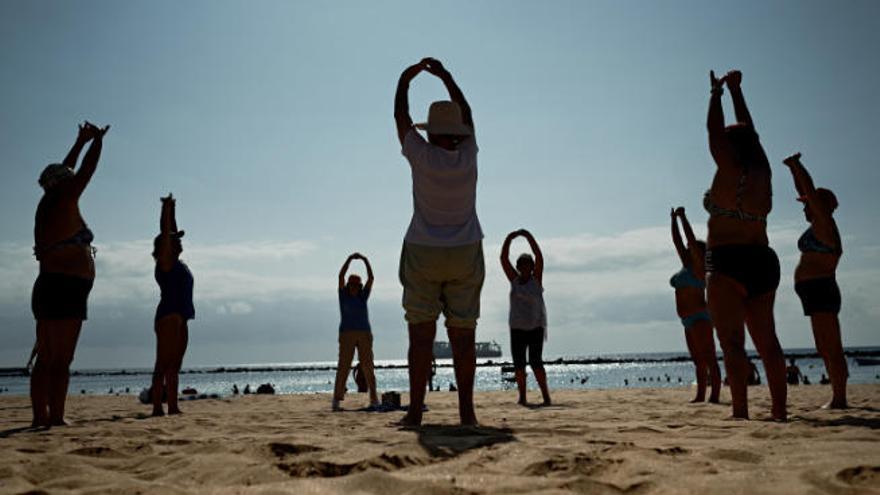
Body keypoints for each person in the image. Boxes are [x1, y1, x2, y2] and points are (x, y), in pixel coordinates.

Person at [394, 57, 484, 426]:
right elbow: (468, 111)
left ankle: (416, 411)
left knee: (420, 336)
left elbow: (400, 118)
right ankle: (466, 412)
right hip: (465, 250)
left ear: (431, 133)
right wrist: (446, 76)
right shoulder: (468, 155)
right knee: (463, 336)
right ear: (460, 132)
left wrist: (406, 80)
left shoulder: (422, 155)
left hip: (423, 249)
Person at [704, 70, 787, 420]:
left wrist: (715, 94)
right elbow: (749, 127)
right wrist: (738, 91)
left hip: (726, 261)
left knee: (732, 344)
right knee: (768, 342)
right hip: (763, 261)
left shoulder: (728, 168)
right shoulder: (763, 171)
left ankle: (740, 411)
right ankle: (780, 411)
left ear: (730, 146)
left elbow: (713, 130)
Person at [30, 121, 108, 427]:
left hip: (50, 286)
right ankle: (56, 417)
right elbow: (85, 171)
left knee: (46, 358)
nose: (72, 179)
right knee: (61, 360)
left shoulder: (48, 201)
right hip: (65, 288)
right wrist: (98, 142)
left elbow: (66, 169)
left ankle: (40, 417)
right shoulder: (65, 197)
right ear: (62, 183)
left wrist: (79, 141)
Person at [783, 152, 848, 408]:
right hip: (814, 292)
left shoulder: (824, 224)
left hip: (822, 289)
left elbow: (808, 189)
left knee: (832, 347)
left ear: (820, 206)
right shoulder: (819, 225)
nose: (804, 208)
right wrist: (791, 170)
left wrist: (798, 165)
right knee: (824, 347)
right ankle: (837, 395)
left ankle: (839, 399)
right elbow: (805, 191)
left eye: (807, 204)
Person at [670, 207, 722, 403]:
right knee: (698, 362)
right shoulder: (685, 265)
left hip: (700, 317)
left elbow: (690, 240)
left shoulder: (700, 268)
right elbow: (678, 241)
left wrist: (684, 217)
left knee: (709, 358)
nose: (688, 249)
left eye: (692, 249)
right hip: (686, 320)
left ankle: (714, 396)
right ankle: (700, 395)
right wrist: (673, 220)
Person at [151, 193, 194, 416]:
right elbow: (166, 233)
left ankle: (173, 406)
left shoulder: (176, 261)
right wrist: (166, 210)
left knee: (174, 365)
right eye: (175, 240)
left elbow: (170, 232)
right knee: (163, 363)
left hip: (182, 316)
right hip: (168, 316)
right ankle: (158, 407)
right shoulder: (165, 261)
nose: (179, 241)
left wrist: (173, 210)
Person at [500, 229, 551, 406]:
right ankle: (522, 396)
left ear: (531, 267)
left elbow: (539, 256)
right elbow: (503, 259)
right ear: (519, 267)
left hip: (536, 326)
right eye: (522, 266)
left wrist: (528, 236)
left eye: (528, 265)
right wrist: (509, 238)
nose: (525, 269)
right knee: (519, 365)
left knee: (536, 362)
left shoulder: (536, 280)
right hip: (517, 328)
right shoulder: (514, 280)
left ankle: (546, 396)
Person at [332, 253, 379, 410]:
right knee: (344, 365)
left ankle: (373, 398)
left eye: (355, 286)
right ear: (348, 286)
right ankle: (337, 398)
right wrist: (350, 259)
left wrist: (366, 260)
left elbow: (371, 278)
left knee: (368, 365)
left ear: (359, 287)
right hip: (347, 333)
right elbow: (340, 275)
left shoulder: (363, 296)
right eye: (350, 285)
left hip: (364, 333)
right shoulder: (343, 296)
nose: (353, 288)